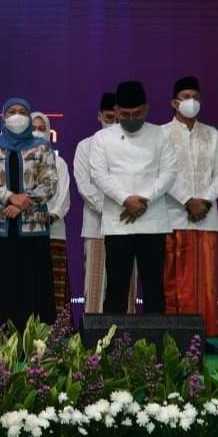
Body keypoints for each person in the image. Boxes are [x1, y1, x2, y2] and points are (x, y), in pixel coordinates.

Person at [90, 81, 177, 314]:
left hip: (152, 221)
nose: (131, 118)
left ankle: (155, 345)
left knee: (153, 287)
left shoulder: (160, 134)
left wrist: (144, 199)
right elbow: (98, 173)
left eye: (136, 113)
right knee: (117, 287)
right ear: (116, 111)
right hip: (118, 221)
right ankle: (112, 345)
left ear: (146, 109)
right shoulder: (102, 138)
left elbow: (169, 173)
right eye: (125, 114)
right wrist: (126, 200)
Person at [0, 98, 58, 330]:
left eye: (22, 111)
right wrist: (9, 197)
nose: (17, 116)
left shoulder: (42, 146)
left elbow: (50, 183)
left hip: (32, 229)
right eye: (12, 111)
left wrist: (23, 203)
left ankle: (34, 340)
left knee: (32, 284)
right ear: (3, 116)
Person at [162, 77, 218, 353]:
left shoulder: (212, 134)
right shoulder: (161, 133)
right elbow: (162, 173)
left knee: (206, 281)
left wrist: (205, 200)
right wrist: (187, 200)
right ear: (174, 102)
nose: (192, 101)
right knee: (174, 280)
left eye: (196, 96)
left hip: (206, 218)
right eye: (186, 96)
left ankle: (204, 337)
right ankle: (176, 337)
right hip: (173, 216)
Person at [73, 93, 138, 314]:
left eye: (118, 119)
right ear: (99, 116)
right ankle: (94, 340)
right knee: (95, 287)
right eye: (109, 118)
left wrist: (127, 208)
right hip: (97, 226)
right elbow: (85, 186)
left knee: (126, 287)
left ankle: (126, 341)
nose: (114, 123)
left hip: (128, 226)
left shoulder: (134, 145)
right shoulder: (85, 146)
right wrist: (113, 210)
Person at [31, 112, 71, 315]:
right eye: (33, 128)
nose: (37, 132)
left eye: (41, 128)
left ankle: (56, 333)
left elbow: (63, 199)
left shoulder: (59, 163)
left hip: (53, 230)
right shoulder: (19, 161)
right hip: (26, 232)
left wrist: (48, 217)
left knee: (55, 284)